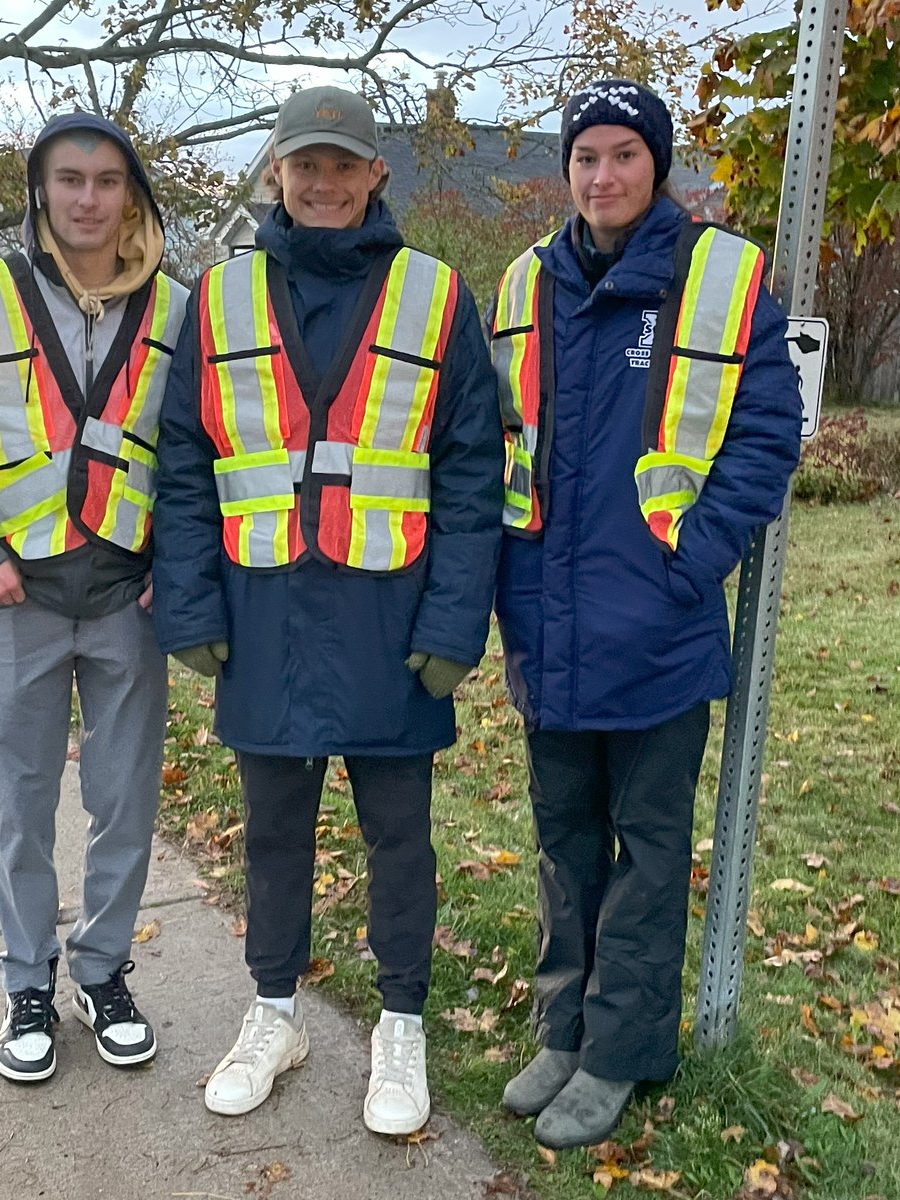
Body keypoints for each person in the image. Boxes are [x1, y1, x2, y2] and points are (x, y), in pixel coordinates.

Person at [153, 85, 504, 1135]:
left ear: (374, 176)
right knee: (273, 834)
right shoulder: (214, 301)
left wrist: (452, 628)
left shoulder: (436, 298)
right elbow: (182, 466)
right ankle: (275, 1014)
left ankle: (401, 1023)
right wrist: (189, 607)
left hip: (391, 626)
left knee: (399, 836)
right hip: (261, 618)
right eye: (303, 164)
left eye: (341, 165)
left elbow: (473, 473)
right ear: (276, 174)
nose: (321, 181)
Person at [490, 80, 803, 1148]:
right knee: (561, 841)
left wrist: (695, 560)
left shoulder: (722, 278)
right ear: (564, 169)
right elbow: (496, 447)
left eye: (624, 155)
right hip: (546, 621)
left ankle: (620, 1053)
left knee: (647, 849)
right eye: (585, 157)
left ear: (655, 165)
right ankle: (561, 1029)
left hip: (660, 629)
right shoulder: (524, 284)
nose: (603, 176)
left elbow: (767, 436)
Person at [0, 112, 188, 1082]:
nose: (89, 198)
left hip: (126, 599)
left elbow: (204, 459)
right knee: (21, 803)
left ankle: (103, 975)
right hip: (20, 599)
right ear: (41, 193)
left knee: (124, 803)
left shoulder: (178, 311)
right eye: (70, 180)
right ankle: (29, 984)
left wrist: (174, 569)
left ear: (130, 195)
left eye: (107, 181)